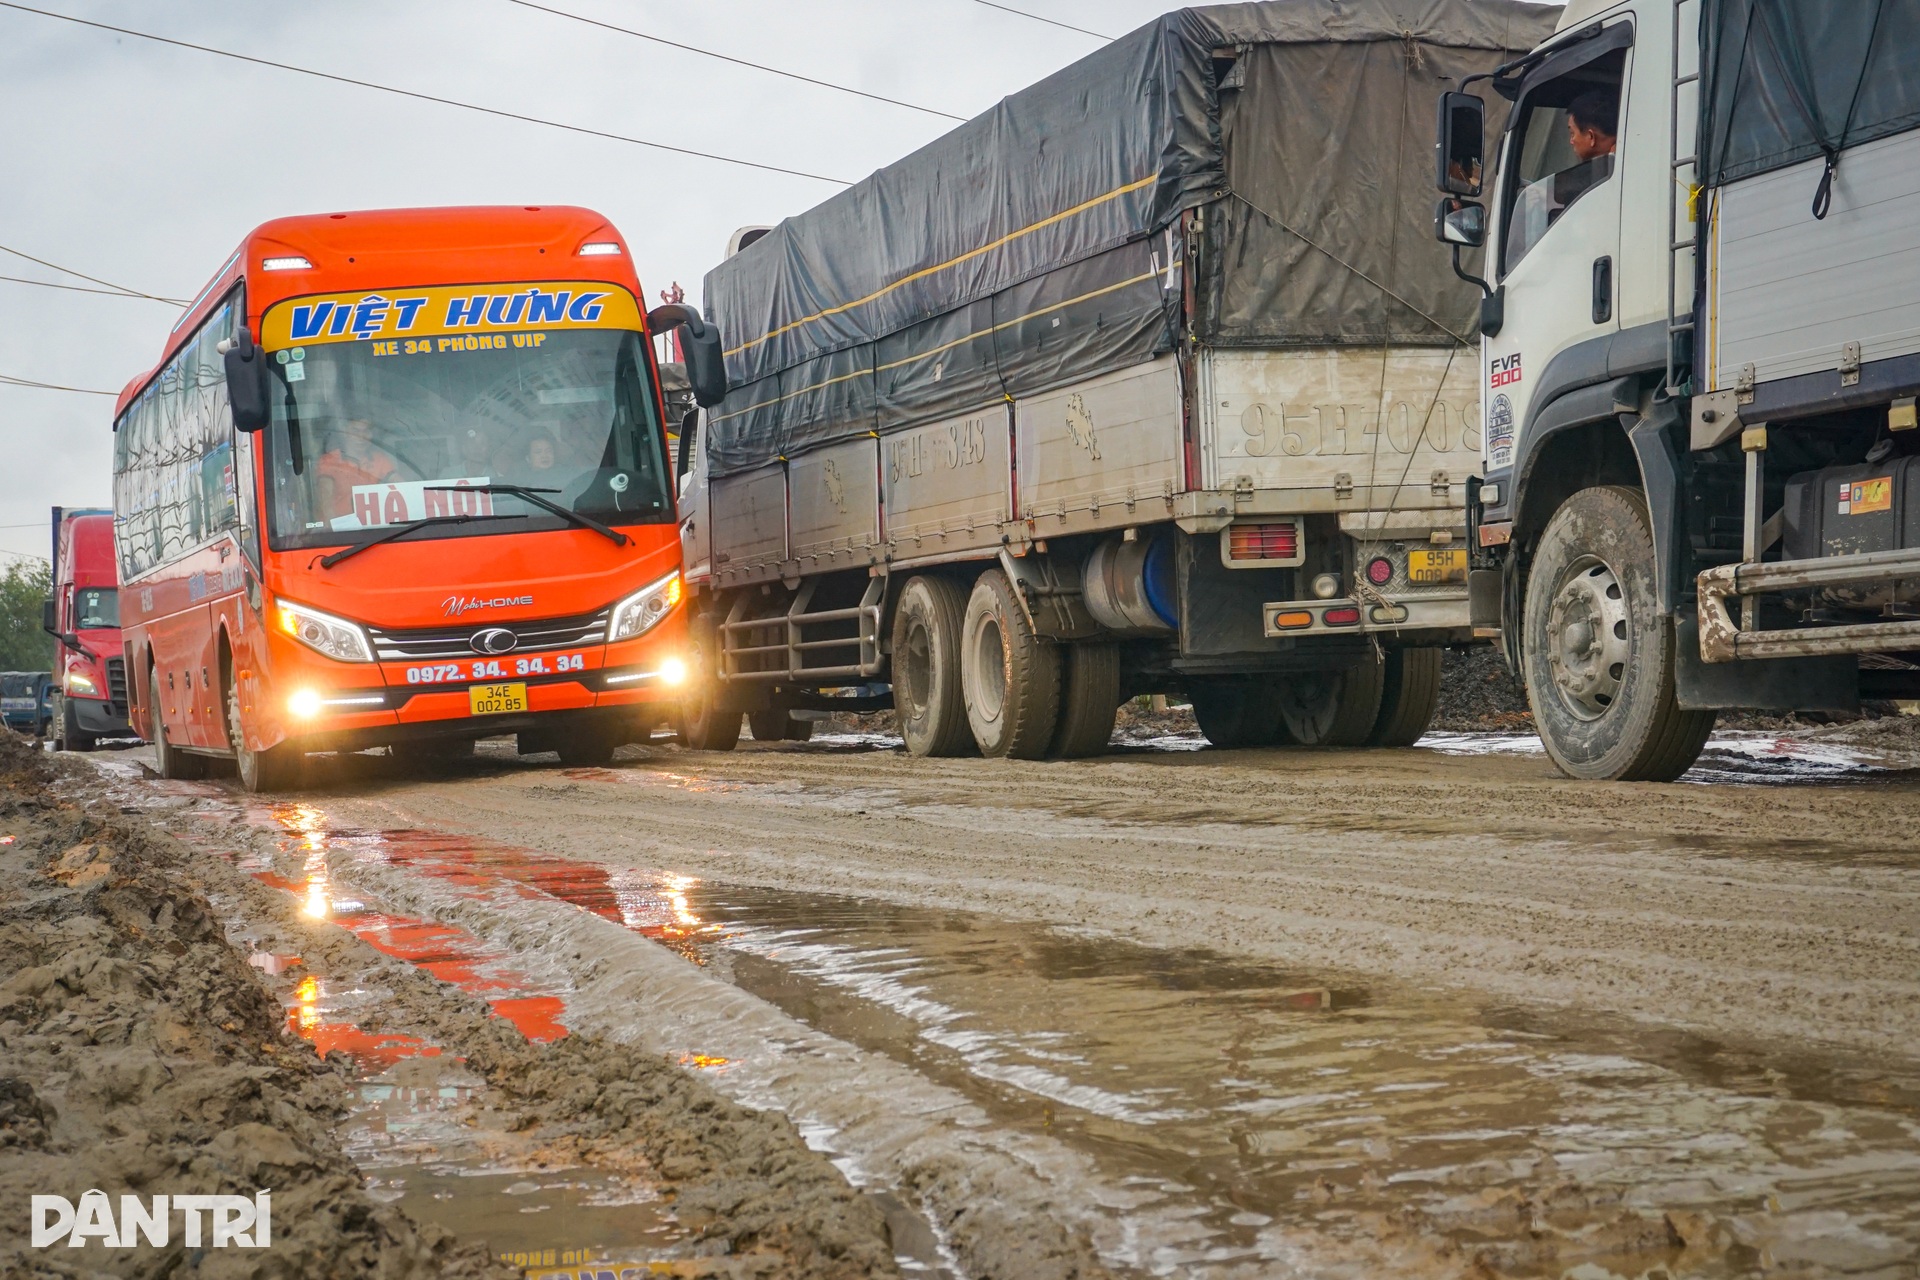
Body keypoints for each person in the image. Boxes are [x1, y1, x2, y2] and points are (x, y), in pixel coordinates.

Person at [314, 419, 398, 521]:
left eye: (366, 431)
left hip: (378, 528)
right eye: (355, 431)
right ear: (345, 432)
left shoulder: (380, 459)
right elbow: (325, 498)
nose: (361, 436)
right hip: (342, 529)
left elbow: (398, 484)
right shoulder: (330, 461)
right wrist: (333, 529)